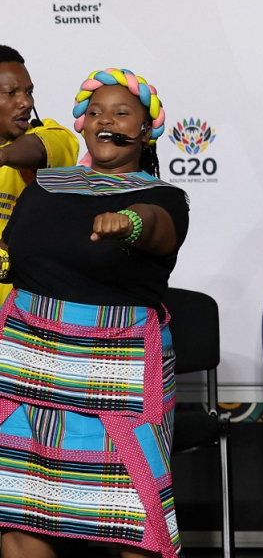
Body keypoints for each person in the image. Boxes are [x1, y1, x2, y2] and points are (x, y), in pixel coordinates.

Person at [0, 68, 187, 558]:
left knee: (135, 516)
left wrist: (129, 222)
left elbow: (158, 226)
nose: (106, 120)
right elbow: (14, 251)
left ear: (144, 131)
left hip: (115, 364)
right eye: (96, 112)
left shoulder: (161, 196)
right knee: (20, 511)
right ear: (81, 124)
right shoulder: (45, 184)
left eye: (121, 113)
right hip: (29, 358)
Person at [0, 46, 79, 298]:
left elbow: (38, 150)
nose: (26, 102)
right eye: (11, 93)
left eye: (29, 92)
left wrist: (2, 156)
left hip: (22, 311)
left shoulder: (52, 134)